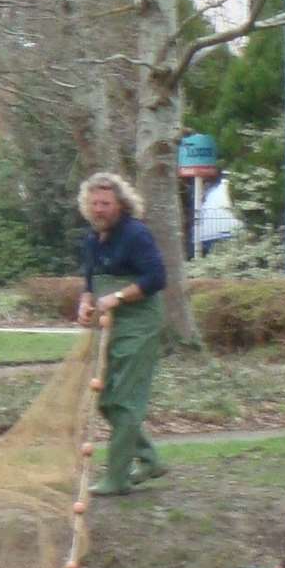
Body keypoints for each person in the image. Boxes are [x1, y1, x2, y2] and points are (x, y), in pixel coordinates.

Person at [75, 172, 169, 496]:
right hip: (110, 325)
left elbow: (156, 278)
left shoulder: (135, 234)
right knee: (104, 399)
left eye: (106, 203)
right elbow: (90, 282)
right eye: (94, 203)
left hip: (139, 324)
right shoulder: (92, 239)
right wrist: (86, 303)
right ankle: (149, 458)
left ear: (120, 204)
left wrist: (117, 297)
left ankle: (117, 478)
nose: (99, 209)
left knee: (125, 401)